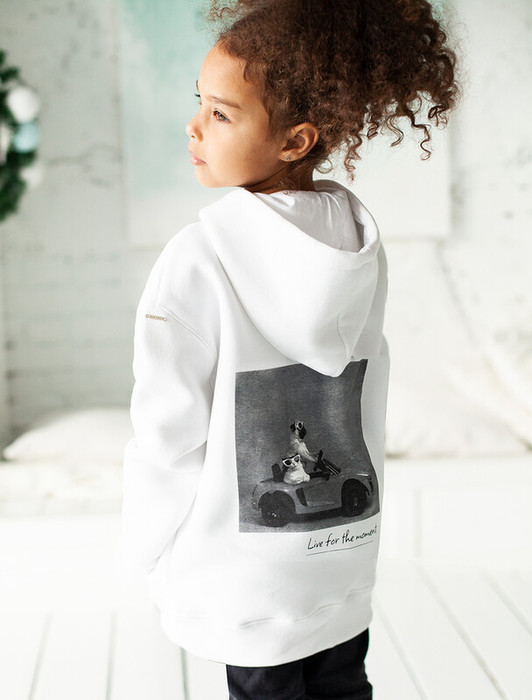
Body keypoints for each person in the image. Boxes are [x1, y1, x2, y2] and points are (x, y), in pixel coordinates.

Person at [117, 1, 459, 698]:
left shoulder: (199, 259)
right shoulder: (357, 248)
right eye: (198, 103)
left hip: (245, 577)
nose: (194, 127)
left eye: (221, 114)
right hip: (340, 562)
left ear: (295, 140)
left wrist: (146, 544)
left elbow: (167, 430)